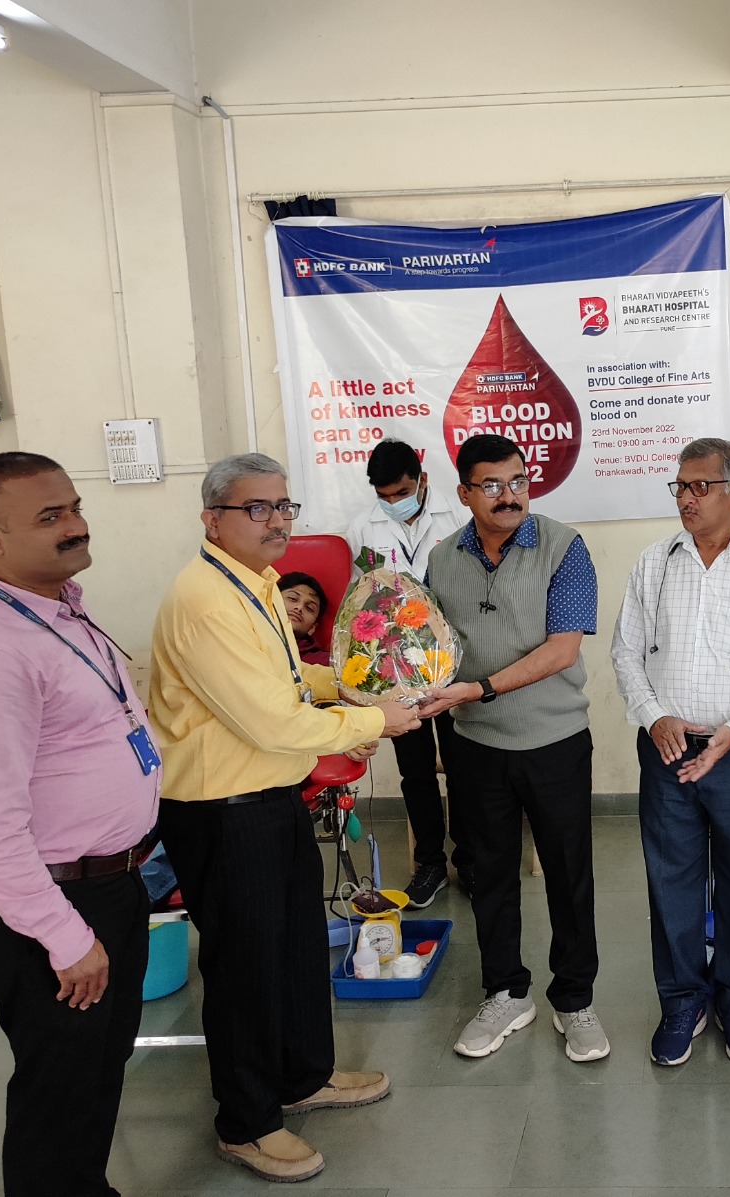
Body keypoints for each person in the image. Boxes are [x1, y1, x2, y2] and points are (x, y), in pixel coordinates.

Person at [148, 452, 419, 1183]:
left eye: (284, 506)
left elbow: (292, 679)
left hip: (271, 796)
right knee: (245, 968)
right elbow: (273, 720)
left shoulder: (259, 583)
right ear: (212, 519)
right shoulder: (205, 601)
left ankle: (303, 1077)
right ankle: (246, 1123)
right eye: (257, 508)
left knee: (297, 948)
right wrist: (377, 720)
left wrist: (359, 684)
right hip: (222, 810)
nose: (277, 521)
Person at [0, 452, 158, 1196]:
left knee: (96, 1070)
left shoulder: (59, 609)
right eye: (50, 516)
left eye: (76, 507)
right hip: (52, 909)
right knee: (59, 1093)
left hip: (109, 887)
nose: (76, 525)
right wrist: (65, 937)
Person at [611, 438, 730, 1067]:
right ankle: (681, 1002)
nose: (687, 499)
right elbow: (625, 652)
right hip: (667, 748)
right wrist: (654, 716)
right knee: (671, 879)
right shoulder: (654, 563)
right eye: (681, 486)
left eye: (701, 487)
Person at [418, 434, 606, 1063]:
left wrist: (481, 687)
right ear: (464, 493)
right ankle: (506, 992)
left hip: (554, 740)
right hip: (475, 744)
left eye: (518, 481)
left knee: (568, 874)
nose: (509, 495)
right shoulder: (442, 558)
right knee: (489, 875)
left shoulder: (563, 547)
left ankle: (574, 999)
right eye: (492, 485)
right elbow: (429, 645)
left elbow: (563, 650)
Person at [346, 438, 469, 907]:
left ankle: (469, 860)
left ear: (422, 480)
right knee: (415, 771)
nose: (394, 502)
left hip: (454, 663)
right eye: (385, 496)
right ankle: (430, 864)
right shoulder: (363, 528)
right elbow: (362, 597)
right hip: (396, 670)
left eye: (402, 492)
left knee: (462, 765)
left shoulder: (458, 518)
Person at [279, 570, 330, 666]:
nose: (299, 607)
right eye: (293, 598)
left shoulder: (324, 663)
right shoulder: (249, 632)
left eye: (309, 608)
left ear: (312, 628)